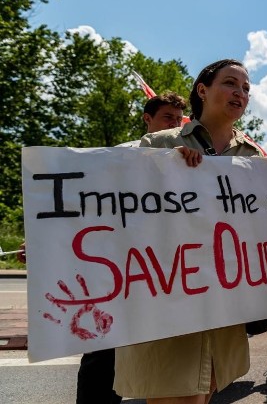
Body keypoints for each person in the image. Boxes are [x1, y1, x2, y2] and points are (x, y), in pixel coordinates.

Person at [113, 59, 263, 404]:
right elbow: (125, 214)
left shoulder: (253, 155)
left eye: (245, 89)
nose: (239, 93)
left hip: (222, 304)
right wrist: (165, 171)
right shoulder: (158, 144)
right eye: (230, 83)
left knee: (203, 393)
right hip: (170, 300)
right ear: (202, 90)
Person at [76, 91, 188, 404]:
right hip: (119, 272)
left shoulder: (186, 161)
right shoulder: (118, 157)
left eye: (180, 121)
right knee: (105, 352)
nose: (175, 126)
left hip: (164, 274)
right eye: (168, 118)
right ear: (147, 119)